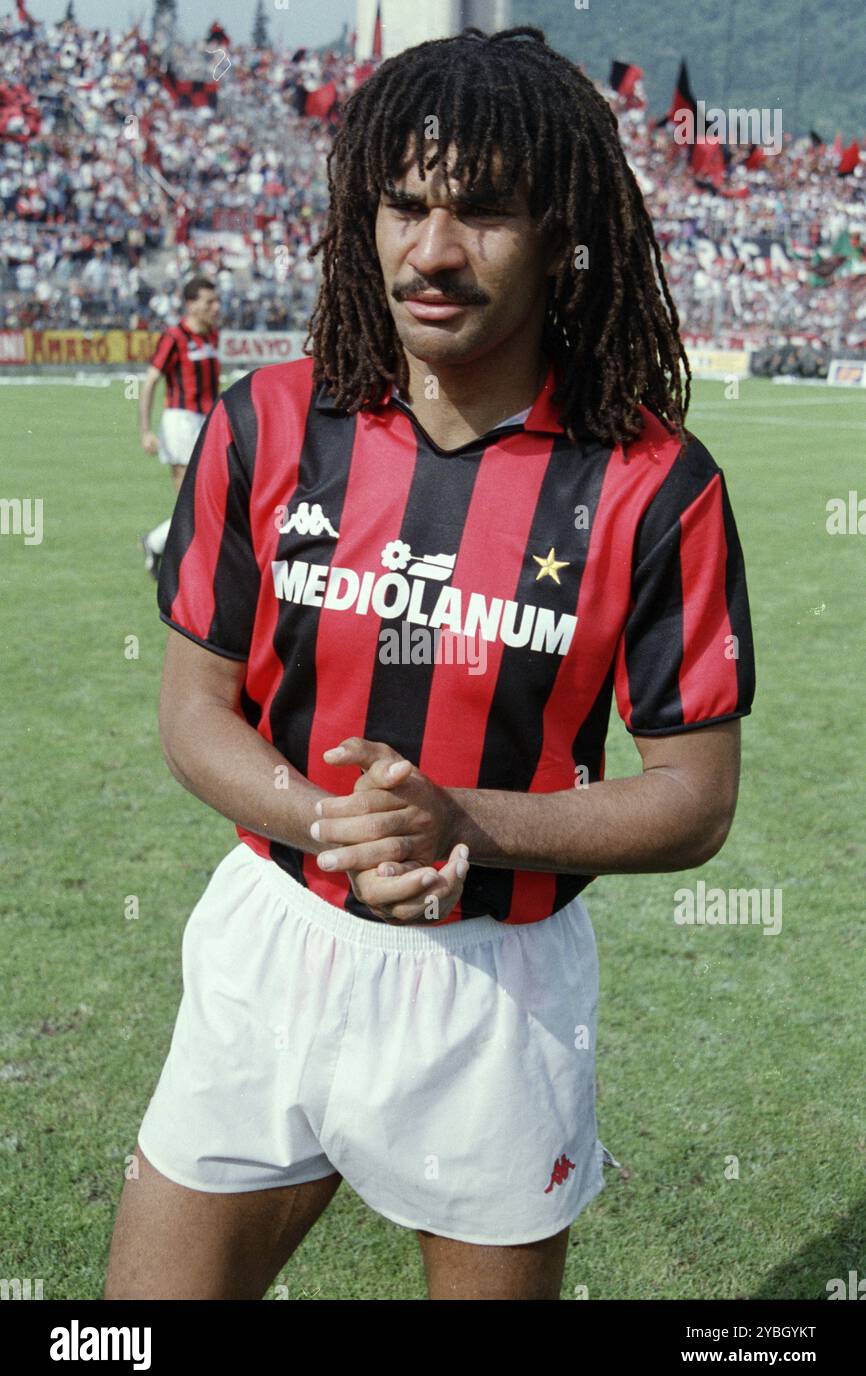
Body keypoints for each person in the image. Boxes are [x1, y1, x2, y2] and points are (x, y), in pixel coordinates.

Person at [105, 26, 755, 1301]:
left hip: (496, 994)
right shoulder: (263, 424)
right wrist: (332, 822)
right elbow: (193, 712)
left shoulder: (652, 485)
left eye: (484, 212)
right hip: (270, 950)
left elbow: (694, 797)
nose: (433, 250)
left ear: (561, 229)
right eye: (404, 204)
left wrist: (460, 823)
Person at [138, 275, 220, 579]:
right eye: (209, 301)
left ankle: (155, 541)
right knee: (193, 500)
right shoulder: (175, 336)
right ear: (190, 304)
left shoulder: (212, 335)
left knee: (208, 497)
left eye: (216, 300)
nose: (216, 307)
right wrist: (145, 431)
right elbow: (149, 383)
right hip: (180, 422)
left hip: (208, 422)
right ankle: (191, 567)